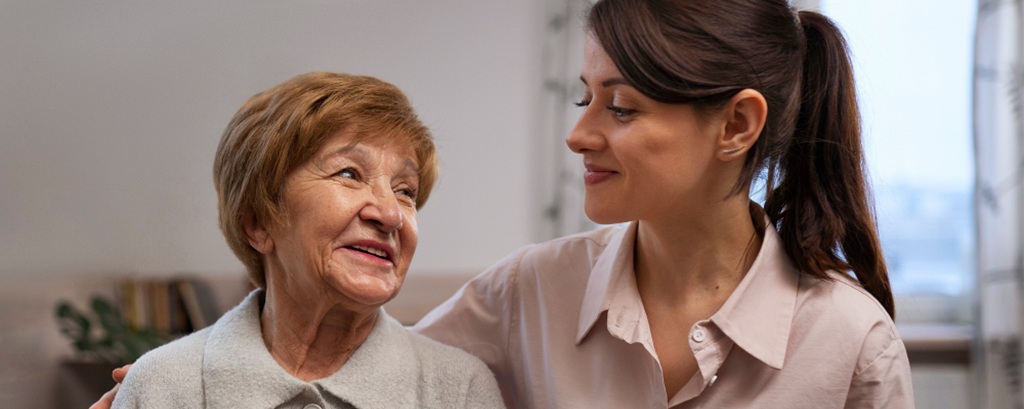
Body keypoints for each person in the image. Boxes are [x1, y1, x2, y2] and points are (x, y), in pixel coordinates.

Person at [95, 0, 913, 408]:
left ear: (736, 124)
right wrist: (175, 381)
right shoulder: (527, 291)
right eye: (582, 98)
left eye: (620, 108)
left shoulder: (850, 345)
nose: (580, 135)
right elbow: (363, 368)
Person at [107, 72, 505, 408]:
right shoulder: (162, 388)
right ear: (258, 224)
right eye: (349, 174)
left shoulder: (460, 391)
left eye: (406, 191)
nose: (390, 214)